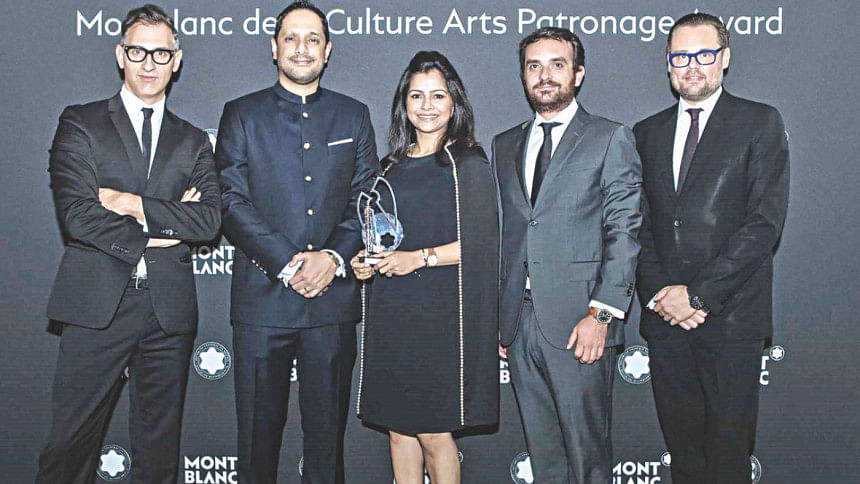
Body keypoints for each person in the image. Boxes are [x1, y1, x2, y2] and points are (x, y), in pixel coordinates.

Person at [37, 4, 220, 483]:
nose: (149, 63)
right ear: (121, 55)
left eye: (160, 53)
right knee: (68, 449)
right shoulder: (81, 123)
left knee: (159, 457)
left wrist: (129, 202)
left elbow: (207, 220)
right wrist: (161, 231)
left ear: (176, 60)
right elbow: (78, 215)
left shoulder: (194, 140)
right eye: (138, 51)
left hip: (167, 312)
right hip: (96, 305)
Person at [215, 1, 379, 482]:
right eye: (291, 38)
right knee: (256, 445)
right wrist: (289, 262)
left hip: (332, 305)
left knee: (327, 447)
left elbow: (367, 197)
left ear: (327, 50)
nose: (301, 48)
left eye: (312, 39)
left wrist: (331, 258)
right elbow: (230, 200)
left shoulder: (353, 115)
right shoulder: (241, 114)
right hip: (262, 304)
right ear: (274, 48)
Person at [633, 12, 789, 484]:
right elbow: (636, 226)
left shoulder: (759, 122)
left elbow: (763, 224)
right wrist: (663, 294)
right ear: (668, 63)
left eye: (704, 54)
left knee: (728, 458)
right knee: (684, 458)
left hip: (731, 320)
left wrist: (698, 296)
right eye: (681, 56)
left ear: (725, 58)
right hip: (666, 322)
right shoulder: (645, 133)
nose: (692, 66)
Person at [493, 27, 642, 482]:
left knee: (587, 457)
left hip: (581, 322)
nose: (545, 76)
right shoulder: (505, 143)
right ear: (523, 76)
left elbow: (624, 231)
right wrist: (501, 318)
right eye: (534, 66)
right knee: (545, 459)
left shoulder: (609, 137)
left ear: (578, 74)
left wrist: (602, 315)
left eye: (557, 65)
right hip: (519, 324)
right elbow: (508, 234)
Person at [349, 51, 499, 484]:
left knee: (434, 432)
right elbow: (382, 236)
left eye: (437, 95)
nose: (427, 105)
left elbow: (483, 246)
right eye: (417, 96)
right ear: (404, 103)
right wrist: (364, 263)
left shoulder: (467, 164)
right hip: (393, 314)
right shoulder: (389, 167)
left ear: (454, 103)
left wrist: (419, 258)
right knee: (398, 431)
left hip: (441, 320)